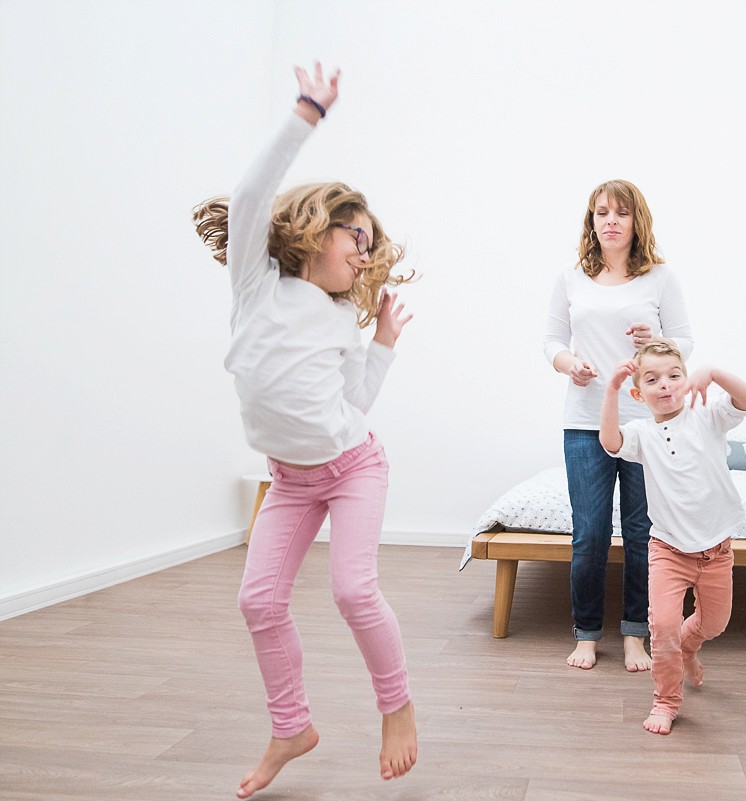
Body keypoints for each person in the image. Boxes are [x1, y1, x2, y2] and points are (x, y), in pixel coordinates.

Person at [192, 63, 419, 797]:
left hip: (353, 466)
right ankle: (291, 725)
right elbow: (255, 193)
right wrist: (306, 113)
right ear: (315, 229)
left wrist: (381, 341)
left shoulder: (337, 320)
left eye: (369, 241)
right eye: (355, 234)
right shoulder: (258, 283)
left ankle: (399, 705)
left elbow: (353, 404)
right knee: (257, 600)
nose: (363, 248)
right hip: (288, 479)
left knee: (354, 591)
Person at [543, 180, 694, 671]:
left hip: (646, 425)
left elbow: (685, 345)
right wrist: (571, 365)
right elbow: (551, 341)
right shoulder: (570, 277)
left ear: (636, 222)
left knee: (641, 531)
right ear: (592, 221)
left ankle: (635, 634)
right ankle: (586, 634)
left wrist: (659, 341)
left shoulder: (660, 278)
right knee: (589, 533)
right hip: (585, 421)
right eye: (601, 212)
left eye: (621, 213)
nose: (610, 220)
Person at [600, 342, 746, 734]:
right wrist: (610, 390)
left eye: (674, 375)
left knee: (715, 624)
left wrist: (716, 373)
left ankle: (689, 648)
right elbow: (610, 443)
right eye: (652, 380)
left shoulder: (707, 416)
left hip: (716, 549)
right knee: (664, 626)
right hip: (668, 550)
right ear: (639, 393)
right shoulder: (640, 433)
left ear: (686, 381)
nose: (666, 385)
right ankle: (666, 701)